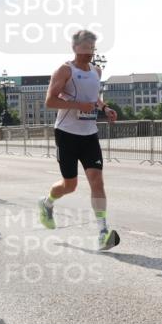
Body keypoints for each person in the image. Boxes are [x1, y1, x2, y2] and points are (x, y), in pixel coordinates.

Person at [38, 29, 120, 250]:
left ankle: (103, 232)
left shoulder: (96, 71)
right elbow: (50, 101)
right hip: (66, 133)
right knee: (70, 185)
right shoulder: (65, 70)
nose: (89, 55)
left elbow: (93, 97)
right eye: (85, 50)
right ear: (75, 48)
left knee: (97, 181)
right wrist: (77, 106)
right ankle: (47, 203)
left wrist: (104, 108)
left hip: (89, 134)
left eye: (92, 50)